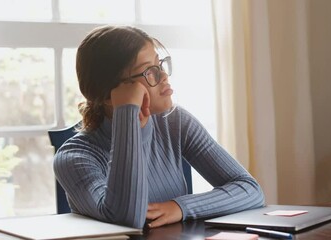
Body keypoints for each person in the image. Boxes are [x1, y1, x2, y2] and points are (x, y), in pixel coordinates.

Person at [53, 25, 265, 229]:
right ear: (109, 94)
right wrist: (127, 116)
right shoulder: (73, 158)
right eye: (148, 71)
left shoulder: (174, 122)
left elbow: (250, 189)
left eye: (160, 65)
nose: (164, 76)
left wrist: (180, 207)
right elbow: (128, 220)